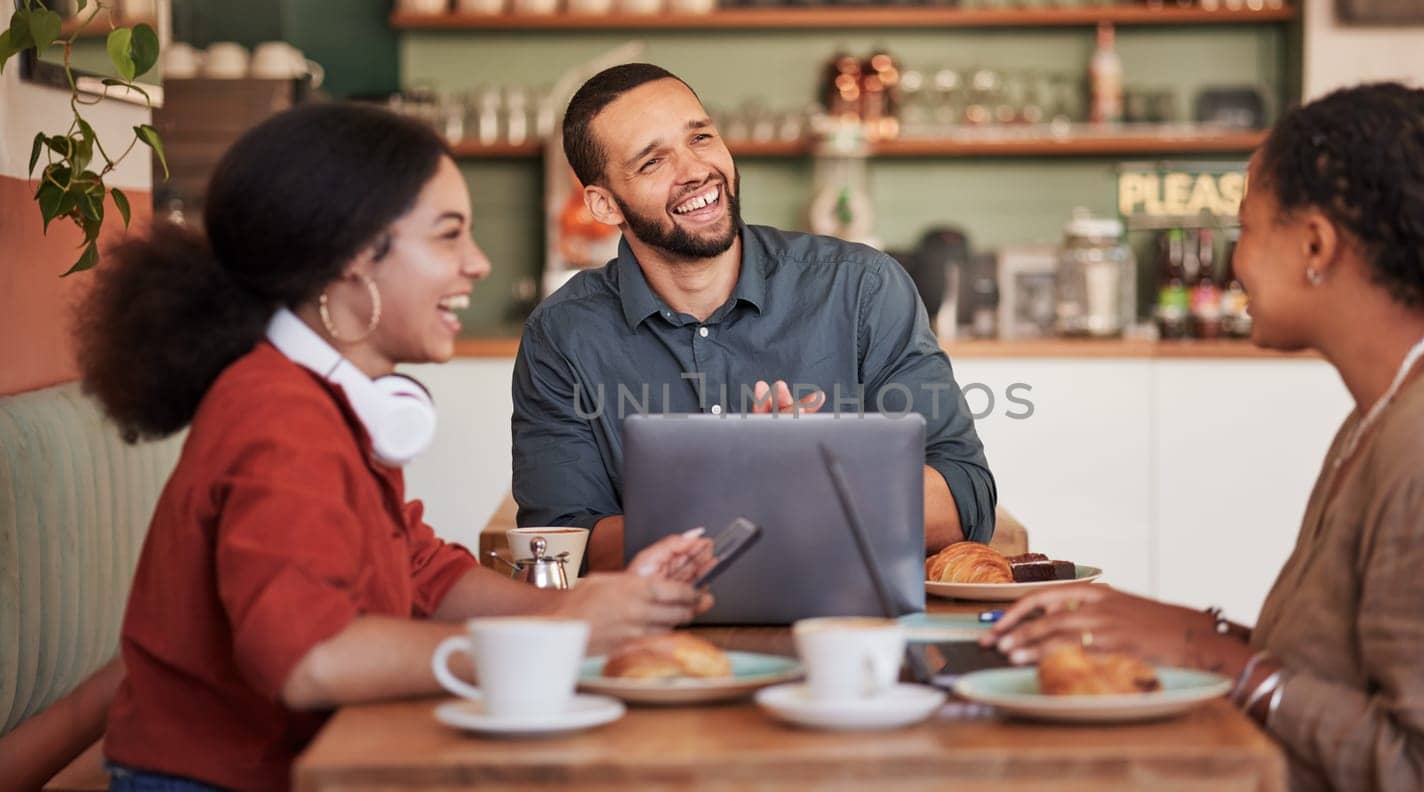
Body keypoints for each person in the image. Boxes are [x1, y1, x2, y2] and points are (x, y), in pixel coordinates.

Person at [77, 103, 713, 792]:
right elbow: (308, 660)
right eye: (448, 236)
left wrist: (596, 604)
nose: (478, 263)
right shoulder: (278, 416)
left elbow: (423, 574)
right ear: (353, 258)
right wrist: (556, 639)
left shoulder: (328, 400)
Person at [983, 83, 1424, 791]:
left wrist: (1226, 663)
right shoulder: (1396, 410)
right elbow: (1359, 679)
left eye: (1245, 230)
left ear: (1315, 244)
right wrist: (1200, 635)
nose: (1234, 264)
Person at [512, 63, 996, 571]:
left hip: (842, 622)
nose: (695, 170)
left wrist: (814, 479)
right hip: (662, 632)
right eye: (653, 162)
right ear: (605, 204)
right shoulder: (562, 335)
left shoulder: (862, 287)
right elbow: (563, 546)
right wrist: (737, 497)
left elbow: (966, 497)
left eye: (700, 137)